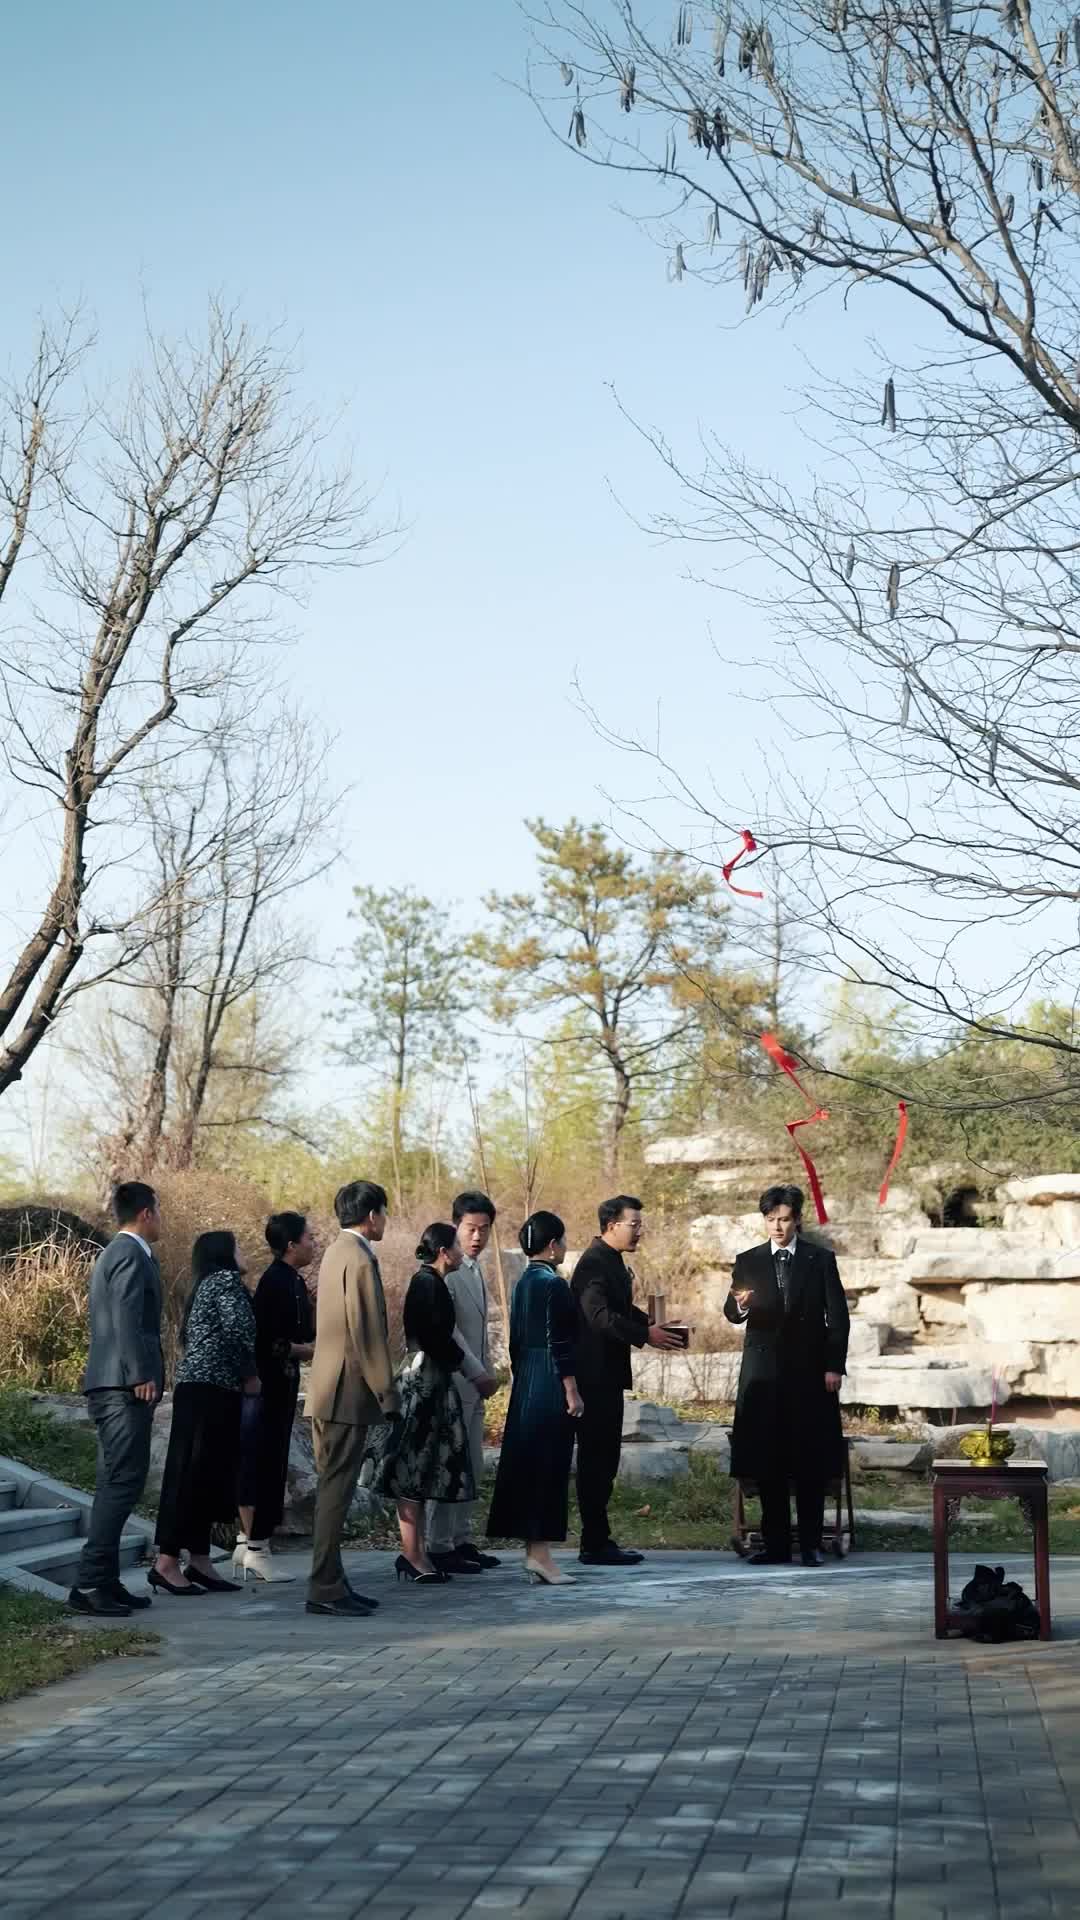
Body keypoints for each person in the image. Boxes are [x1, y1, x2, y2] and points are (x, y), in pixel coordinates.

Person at [724, 1183, 850, 1567]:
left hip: (810, 1374)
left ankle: (810, 1544)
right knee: (768, 1462)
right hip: (763, 1376)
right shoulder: (748, 1260)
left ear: (797, 1220)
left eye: (784, 1219)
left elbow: (838, 1317)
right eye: (770, 1219)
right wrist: (740, 1305)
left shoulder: (819, 1259)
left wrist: (833, 1365)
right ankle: (775, 1545)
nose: (777, 1227)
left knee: (809, 1461)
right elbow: (732, 1312)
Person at [363, 1223, 485, 1584]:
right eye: (456, 1246)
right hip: (424, 1383)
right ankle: (413, 1554)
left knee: (421, 1470)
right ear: (444, 1252)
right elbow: (434, 1337)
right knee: (412, 1470)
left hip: (433, 1380)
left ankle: (415, 1553)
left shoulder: (430, 1282)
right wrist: (463, 1365)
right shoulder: (428, 1283)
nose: (462, 1251)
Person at [305, 1180, 399, 1617]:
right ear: (372, 1215)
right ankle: (324, 1587)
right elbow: (368, 1333)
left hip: (327, 1388)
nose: (385, 1220)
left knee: (334, 1488)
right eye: (384, 1212)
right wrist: (387, 1392)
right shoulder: (359, 1257)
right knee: (336, 1492)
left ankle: (333, 1581)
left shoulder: (334, 1252)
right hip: (345, 1393)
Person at [69, 1182, 164, 1618]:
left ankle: (103, 1581)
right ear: (146, 1213)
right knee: (123, 1481)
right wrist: (139, 1372)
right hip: (121, 1387)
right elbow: (126, 1315)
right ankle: (90, 1583)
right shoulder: (128, 1252)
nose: (161, 1219)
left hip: (116, 1384)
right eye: (158, 1211)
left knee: (117, 1481)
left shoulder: (124, 1252)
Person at [571, 1194, 681, 1567]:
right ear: (611, 1225)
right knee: (596, 1460)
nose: (639, 1231)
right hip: (593, 1378)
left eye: (639, 1224)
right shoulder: (593, 1264)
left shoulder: (611, 1260)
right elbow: (599, 1315)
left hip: (607, 1376)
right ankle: (593, 1543)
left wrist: (649, 1324)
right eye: (633, 1224)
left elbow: (617, 1308)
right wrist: (645, 1334)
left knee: (605, 1459)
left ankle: (598, 1539)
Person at [150, 1230, 259, 1595]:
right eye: (238, 1246)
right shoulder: (226, 1281)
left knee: (206, 1476)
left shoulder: (205, 1284)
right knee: (192, 1476)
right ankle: (166, 1562)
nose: (244, 1252)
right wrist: (250, 1374)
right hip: (209, 1391)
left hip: (201, 1389)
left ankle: (199, 1560)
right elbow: (237, 1332)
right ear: (223, 1254)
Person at [487, 1211, 583, 1585]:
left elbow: (515, 1341)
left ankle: (534, 1552)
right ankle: (540, 1556)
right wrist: (571, 1390)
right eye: (564, 1240)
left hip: (527, 1374)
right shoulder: (554, 1284)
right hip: (549, 1377)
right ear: (553, 1245)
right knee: (549, 1464)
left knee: (529, 1463)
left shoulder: (522, 1282)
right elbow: (559, 1341)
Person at [234, 1211, 317, 1582]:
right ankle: (257, 1547)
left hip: (283, 1386)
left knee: (273, 1461)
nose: (314, 1244)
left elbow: (302, 1331)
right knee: (265, 1464)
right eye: (309, 1238)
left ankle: (249, 1543)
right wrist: (311, 1351)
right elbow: (270, 1342)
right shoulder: (274, 1282)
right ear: (291, 1245)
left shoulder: (293, 1281)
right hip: (267, 1387)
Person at [427, 1190, 500, 1575]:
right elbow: (450, 1331)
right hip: (456, 1380)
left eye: (484, 1229)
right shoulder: (447, 1272)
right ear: (455, 1226)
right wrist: (477, 1371)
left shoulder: (475, 1269)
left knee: (471, 1463)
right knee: (449, 1464)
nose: (477, 1236)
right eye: (470, 1228)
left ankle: (460, 1539)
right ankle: (438, 1545)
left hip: (476, 1384)